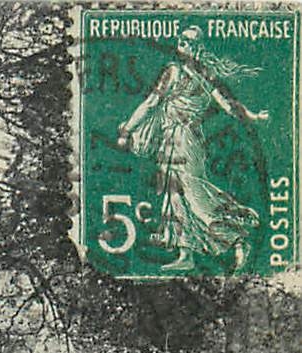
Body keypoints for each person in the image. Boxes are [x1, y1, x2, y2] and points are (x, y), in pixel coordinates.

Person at [116, 25, 270, 270]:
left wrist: (127, 130)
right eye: (181, 39)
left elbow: (153, 103)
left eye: (188, 41)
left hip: (185, 139)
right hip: (173, 138)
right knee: (174, 195)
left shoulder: (187, 74)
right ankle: (185, 254)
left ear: (197, 48)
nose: (182, 43)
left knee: (193, 193)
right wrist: (252, 116)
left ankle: (238, 238)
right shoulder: (185, 73)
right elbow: (153, 103)